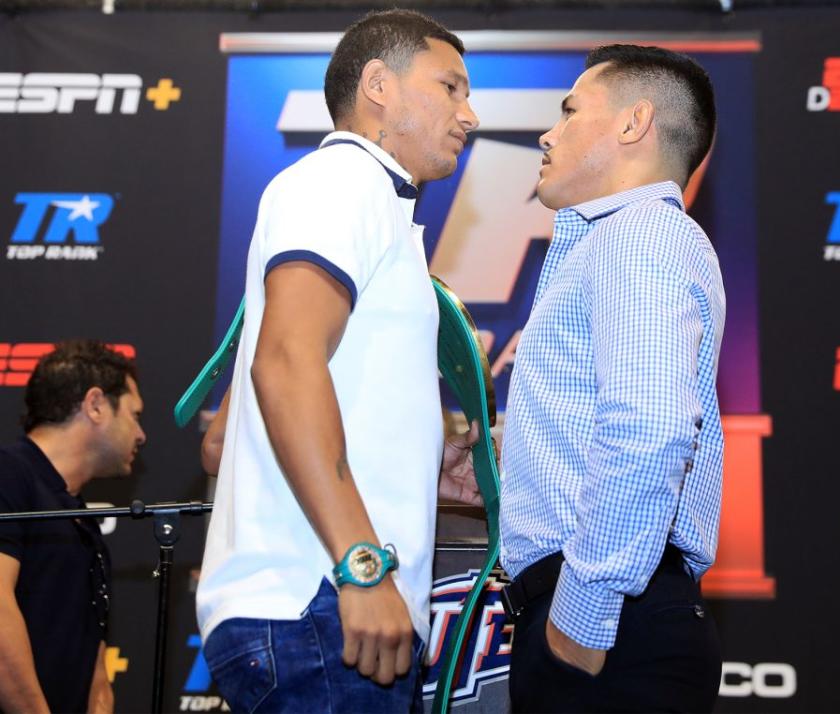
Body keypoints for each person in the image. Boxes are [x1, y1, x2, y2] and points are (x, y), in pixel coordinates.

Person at [195, 9, 480, 713]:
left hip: (316, 612)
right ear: (378, 84)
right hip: (322, 607)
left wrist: (419, 465)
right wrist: (360, 565)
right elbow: (286, 364)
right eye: (451, 88)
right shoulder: (343, 182)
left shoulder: (363, 202)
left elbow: (222, 440)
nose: (469, 115)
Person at [500, 45, 726, 713]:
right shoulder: (619, 239)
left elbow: (651, 425)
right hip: (608, 619)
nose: (548, 131)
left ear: (633, 125)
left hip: (607, 625)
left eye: (569, 111)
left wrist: (582, 615)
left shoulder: (639, 233)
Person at [0, 340, 145, 713]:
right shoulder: (9, 474)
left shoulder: (77, 515)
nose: (141, 435)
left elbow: (94, 661)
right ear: (95, 405)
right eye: (134, 415)